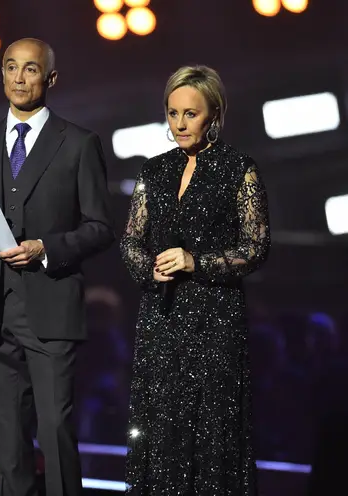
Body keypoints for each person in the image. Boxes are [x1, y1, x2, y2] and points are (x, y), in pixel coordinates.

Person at [0, 38, 115, 495]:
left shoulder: (79, 143)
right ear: (1, 74)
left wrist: (45, 248)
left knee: (56, 430)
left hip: (51, 305)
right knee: (7, 439)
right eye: (11, 68)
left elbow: (101, 226)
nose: (20, 78)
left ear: (51, 79)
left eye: (31, 70)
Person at [120, 65, 270, 495]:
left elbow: (255, 247)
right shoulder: (155, 171)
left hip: (215, 321)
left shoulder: (239, 168)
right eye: (172, 113)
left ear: (214, 115)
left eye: (191, 114)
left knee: (213, 429)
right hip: (161, 317)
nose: (180, 124)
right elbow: (131, 239)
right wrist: (147, 267)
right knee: (159, 424)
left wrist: (195, 262)